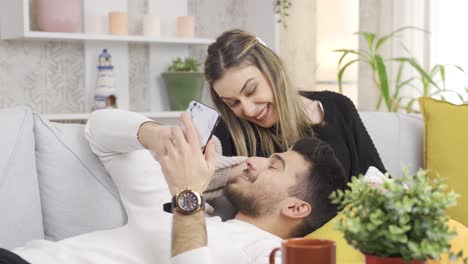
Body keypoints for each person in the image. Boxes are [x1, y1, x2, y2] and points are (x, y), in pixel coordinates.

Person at [2, 109, 347, 264]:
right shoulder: (174, 198)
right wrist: (158, 136)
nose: (253, 162)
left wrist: (188, 195)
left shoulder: (268, 254)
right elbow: (99, 130)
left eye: (274, 165)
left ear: (296, 208)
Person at [205, 29, 386, 181]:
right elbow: (197, 179)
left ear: (273, 70)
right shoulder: (231, 131)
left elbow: (379, 177)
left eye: (251, 90)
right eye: (233, 103)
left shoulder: (338, 107)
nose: (249, 110)